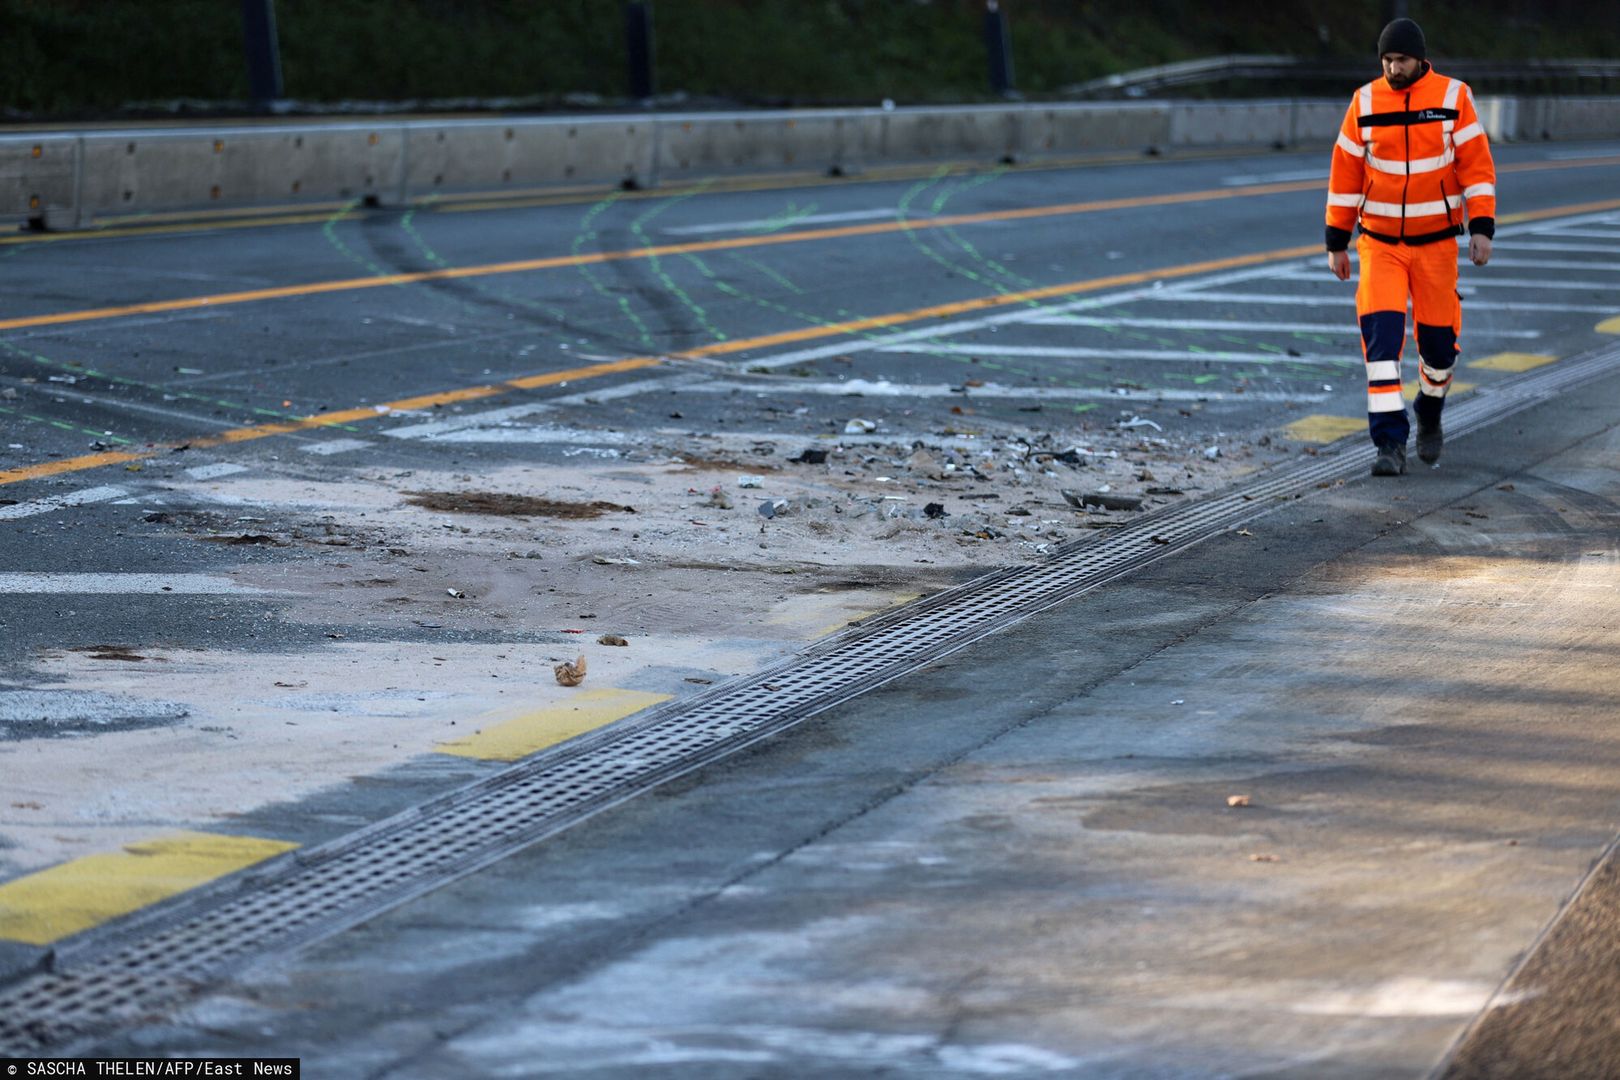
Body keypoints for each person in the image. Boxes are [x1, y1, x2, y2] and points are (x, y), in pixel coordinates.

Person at [1324, 17, 1497, 476]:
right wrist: (1337, 241)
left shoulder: (1452, 97)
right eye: (1386, 60)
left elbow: (1476, 167)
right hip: (1378, 244)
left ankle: (1431, 407)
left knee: (1439, 348)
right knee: (1381, 345)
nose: (1392, 68)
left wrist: (1481, 227)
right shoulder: (1364, 101)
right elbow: (1345, 177)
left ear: (1419, 58)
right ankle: (1389, 444)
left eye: (1400, 59)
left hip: (1437, 244)